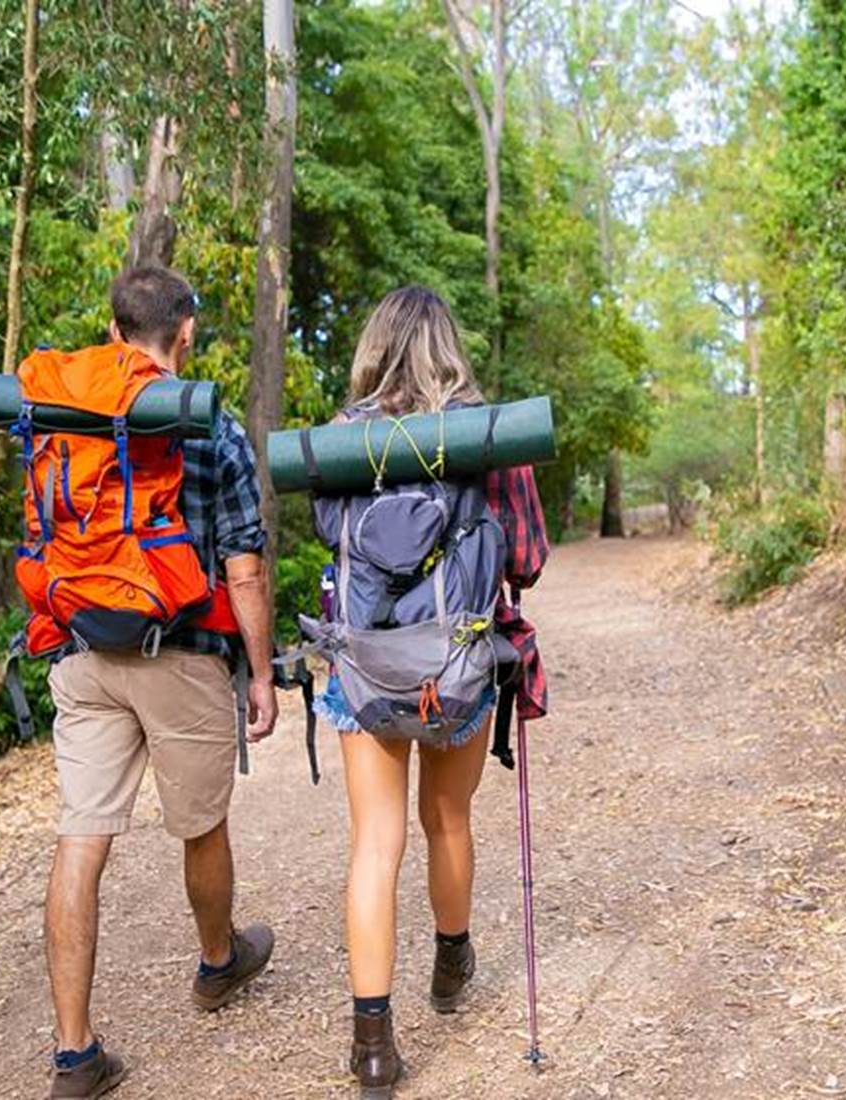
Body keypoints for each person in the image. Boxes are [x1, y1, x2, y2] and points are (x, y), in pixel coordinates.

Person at [42, 266, 279, 1099]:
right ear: (184, 334)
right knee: (201, 821)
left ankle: (74, 1054)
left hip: (81, 652)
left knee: (82, 836)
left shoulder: (64, 414)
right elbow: (243, 565)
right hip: (180, 652)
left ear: (113, 333)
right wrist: (260, 672)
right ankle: (219, 962)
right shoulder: (209, 424)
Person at [313, 287, 549, 1096]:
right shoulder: (487, 435)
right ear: (450, 345)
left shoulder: (342, 439)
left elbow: (325, 534)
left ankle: (372, 1047)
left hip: (365, 670)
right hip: (457, 664)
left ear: (375, 346)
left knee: (375, 844)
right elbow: (527, 560)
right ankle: (451, 962)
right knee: (447, 818)